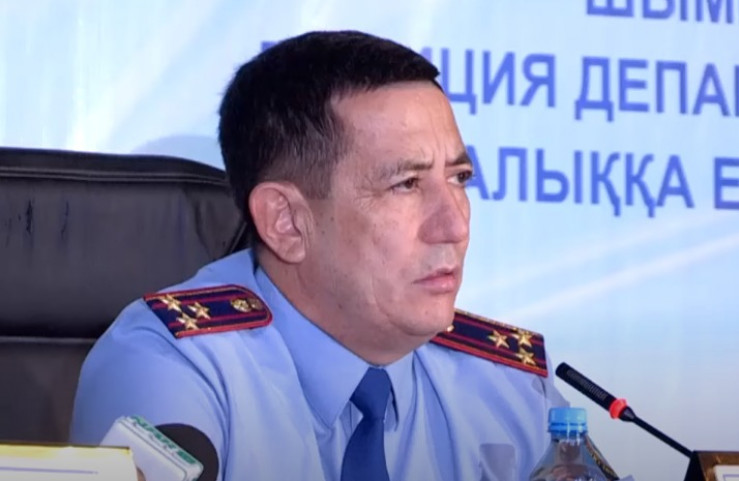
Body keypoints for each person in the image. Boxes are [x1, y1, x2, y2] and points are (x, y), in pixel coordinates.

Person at [70, 30, 567, 481]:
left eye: (459, 179)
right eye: (406, 184)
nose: (455, 226)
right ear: (286, 222)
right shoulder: (171, 364)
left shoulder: (509, 385)